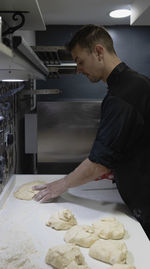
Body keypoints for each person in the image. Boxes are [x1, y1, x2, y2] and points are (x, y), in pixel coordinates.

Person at [33, 24, 150, 239]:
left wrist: (63, 184)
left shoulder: (123, 94)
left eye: (80, 61)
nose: (78, 69)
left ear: (98, 51)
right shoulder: (133, 84)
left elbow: (99, 162)